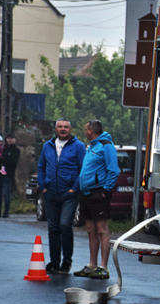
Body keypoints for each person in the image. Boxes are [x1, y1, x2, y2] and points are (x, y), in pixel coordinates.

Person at [38, 119, 86, 274]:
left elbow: (83, 169)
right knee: (53, 228)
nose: (63, 129)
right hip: (50, 192)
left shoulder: (78, 146)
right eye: (60, 127)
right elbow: (41, 167)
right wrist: (43, 187)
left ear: (70, 129)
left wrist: (75, 189)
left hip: (69, 194)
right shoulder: (47, 146)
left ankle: (67, 261)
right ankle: (54, 262)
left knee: (65, 225)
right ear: (55, 129)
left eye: (66, 127)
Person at [74, 120, 119, 279]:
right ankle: (92, 265)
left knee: (102, 229)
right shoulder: (91, 146)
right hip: (86, 193)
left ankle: (103, 267)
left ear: (91, 130)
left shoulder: (106, 146)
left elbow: (114, 170)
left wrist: (105, 191)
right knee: (90, 229)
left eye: (86, 129)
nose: (84, 132)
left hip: (98, 193)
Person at [0, 133, 20, 218]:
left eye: (12, 138)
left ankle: (6, 212)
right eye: (8, 138)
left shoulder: (16, 150)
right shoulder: (2, 148)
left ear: (15, 139)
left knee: (6, 193)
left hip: (8, 174)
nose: (10, 140)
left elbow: (11, 161)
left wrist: (0, 159)